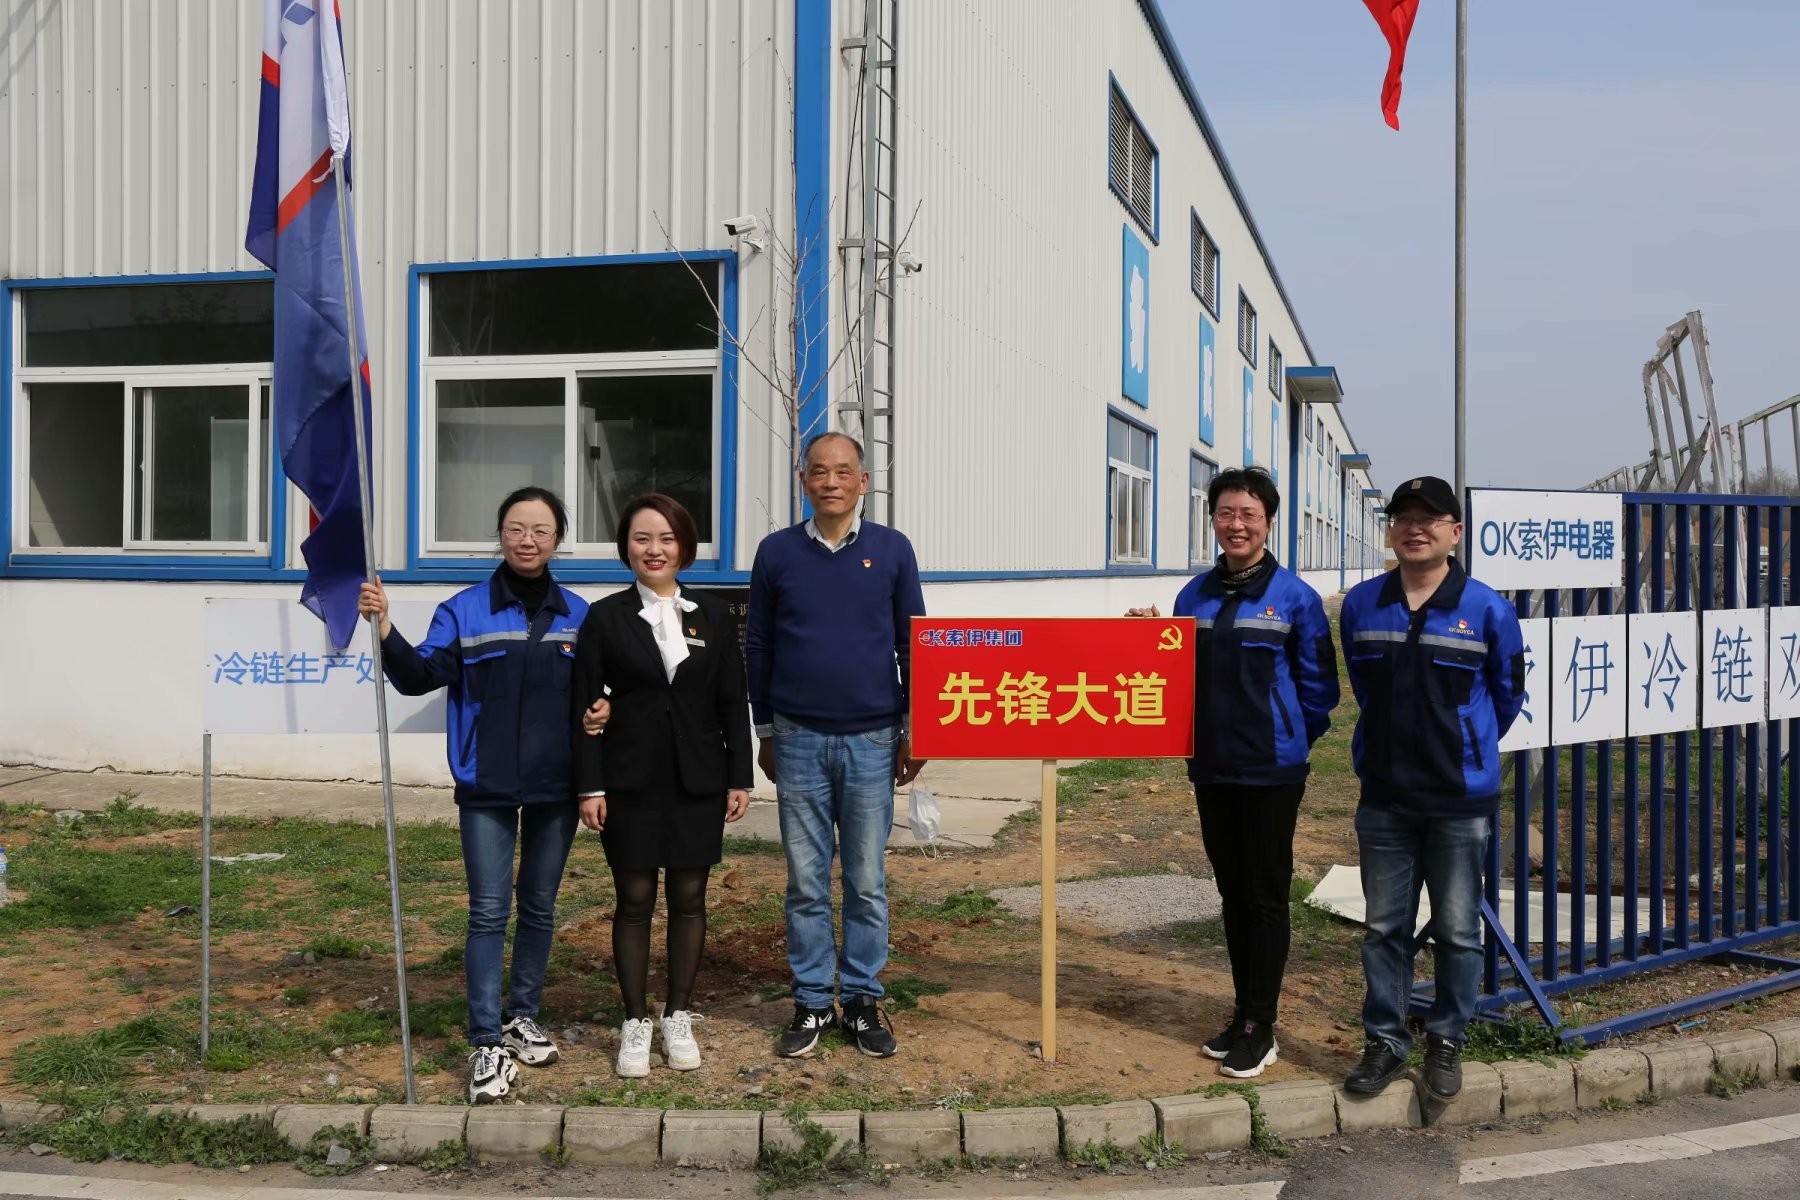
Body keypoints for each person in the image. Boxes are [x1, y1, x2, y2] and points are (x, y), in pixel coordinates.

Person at [358, 486, 591, 1105]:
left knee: (539, 906)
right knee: (488, 911)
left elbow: (596, 696)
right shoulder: (462, 611)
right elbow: (418, 677)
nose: (527, 540)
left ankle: (522, 1016)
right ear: (500, 534)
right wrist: (386, 627)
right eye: (516, 528)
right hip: (485, 782)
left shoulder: (579, 615)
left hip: (556, 784)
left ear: (558, 540)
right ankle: (486, 1037)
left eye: (541, 530)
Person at [1128, 466, 1339, 1079]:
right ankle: (1243, 1014)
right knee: (1232, 893)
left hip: (1271, 771)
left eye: (1249, 513)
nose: (1237, 524)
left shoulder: (1295, 598)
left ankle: (1261, 1026)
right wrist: (1148, 638)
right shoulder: (1193, 596)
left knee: (1265, 896)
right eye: (1226, 513)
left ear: (1268, 522)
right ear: (1213, 520)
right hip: (1213, 766)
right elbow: (1175, 674)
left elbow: (1319, 691)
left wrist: (1286, 740)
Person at [1338, 476, 1524, 1102]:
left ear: (1455, 532)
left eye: (1430, 518)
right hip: (1385, 795)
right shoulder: (1363, 604)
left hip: (1458, 799)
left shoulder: (1488, 608)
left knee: (1458, 929)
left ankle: (1447, 1038)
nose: (1415, 528)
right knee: (1383, 929)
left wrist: (1462, 743)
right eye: (1403, 518)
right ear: (1391, 529)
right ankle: (1386, 1041)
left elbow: (1506, 695)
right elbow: (1364, 687)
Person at [747, 431, 926, 1059]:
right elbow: (759, 644)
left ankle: (862, 999)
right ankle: (812, 1000)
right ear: (804, 480)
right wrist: (765, 729)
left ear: (863, 481)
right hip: (797, 736)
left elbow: (913, 641)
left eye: (843, 471)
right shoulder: (776, 553)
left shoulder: (892, 550)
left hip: (873, 738)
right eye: (819, 471)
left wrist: (917, 728)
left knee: (867, 880)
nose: (831, 482)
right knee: (805, 880)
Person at [570, 494, 753, 1078]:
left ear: (685, 547)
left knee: (690, 898)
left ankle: (677, 1014)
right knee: (634, 900)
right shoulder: (605, 617)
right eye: (642, 538)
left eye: (667, 539)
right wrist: (590, 786)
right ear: (626, 547)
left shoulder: (714, 615)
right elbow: (584, 707)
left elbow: (732, 701)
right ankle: (634, 1020)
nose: (655, 550)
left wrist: (740, 776)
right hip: (629, 780)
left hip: (699, 778)